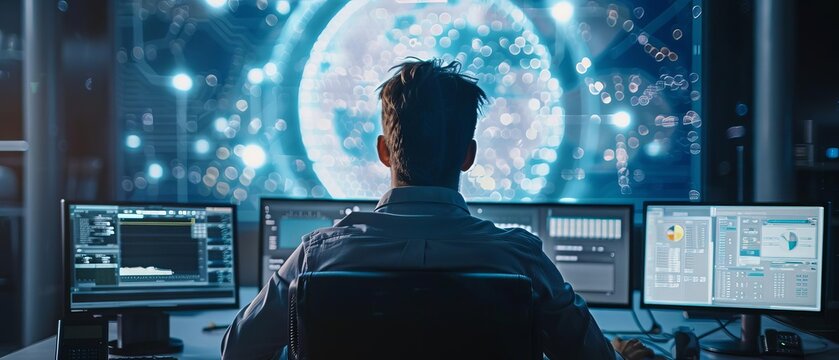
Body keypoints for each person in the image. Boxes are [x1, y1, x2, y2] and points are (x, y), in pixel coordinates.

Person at [221, 58, 653, 360]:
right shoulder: (519, 260)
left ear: (384, 152)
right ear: (468, 155)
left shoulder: (318, 256)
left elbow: (237, 351)